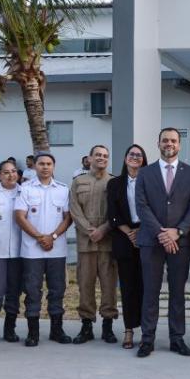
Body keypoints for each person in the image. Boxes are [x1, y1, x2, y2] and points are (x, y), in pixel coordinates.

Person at [135, 127, 190, 358]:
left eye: (173, 140)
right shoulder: (145, 173)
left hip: (180, 243)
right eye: (165, 140)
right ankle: (147, 339)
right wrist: (162, 233)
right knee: (150, 292)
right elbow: (141, 206)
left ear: (179, 145)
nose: (169, 144)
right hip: (151, 242)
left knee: (177, 293)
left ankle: (177, 339)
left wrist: (179, 232)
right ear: (158, 143)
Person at [15, 151, 73, 347]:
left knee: (57, 290)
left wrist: (52, 237)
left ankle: (57, 330)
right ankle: (33, 333)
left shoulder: (63, 190)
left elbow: (68, 217)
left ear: (53, 167)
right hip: (32, 251)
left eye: (49, 164)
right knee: (33, 291)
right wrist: (40, 238)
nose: (45, 167)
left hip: (57, 250)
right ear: (35, 166)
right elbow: (20, 217)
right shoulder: (25, 189)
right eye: (41, 164)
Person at [70, 145, 118, 345]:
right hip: (85, 243)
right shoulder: (78, 182)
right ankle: (87, 326)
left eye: (105, 156)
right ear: (89, 158)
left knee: (109, 287)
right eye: (97, 155)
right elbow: (74, 209)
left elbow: (117, 211)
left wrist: (103, 230)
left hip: (107, 244)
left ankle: (108, 326)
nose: (101, 158)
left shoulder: (114, 182)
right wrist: (90, 230)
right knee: (85, 285)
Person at [107, 144, 148, 349]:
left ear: (144, 160)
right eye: (131, 154)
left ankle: (147, 331)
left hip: (147, 236)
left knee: (146, 286)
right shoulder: (115, 183)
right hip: (124, 237)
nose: (134, 157)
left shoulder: (150, 181)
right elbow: (112, 212)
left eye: (139, 155)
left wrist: (141, 231)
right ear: (125, 159)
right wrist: (129, 232)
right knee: (128, 286)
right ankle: (129, 330)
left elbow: (155, 208)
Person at [0, 160, 23, 343]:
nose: (11, 175)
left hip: (19, 251)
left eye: (14, 171)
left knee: (14, 291)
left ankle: (10, 329)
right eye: (6, 172)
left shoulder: (24, 192)